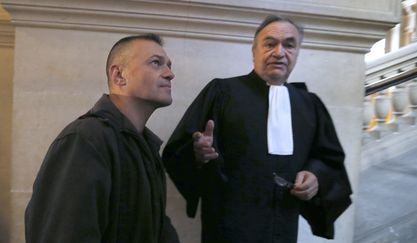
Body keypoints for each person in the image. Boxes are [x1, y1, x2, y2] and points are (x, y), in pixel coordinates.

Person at [162, 15, 352, 243]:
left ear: (297, 54)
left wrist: (315, 176)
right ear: (254, 52)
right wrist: (197, 154)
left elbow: (329, 160)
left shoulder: (309, 105)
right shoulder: (222, 92)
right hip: (229, 229)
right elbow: (176, 152)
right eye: (270, 44)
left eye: (289, 45)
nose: (280, 52)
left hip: (284, 227)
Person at [25, 34, 180, 243]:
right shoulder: (85, 139)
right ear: (119, 75)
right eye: (156, 63)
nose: (170, 74)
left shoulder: (146, 149)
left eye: (168, 65)